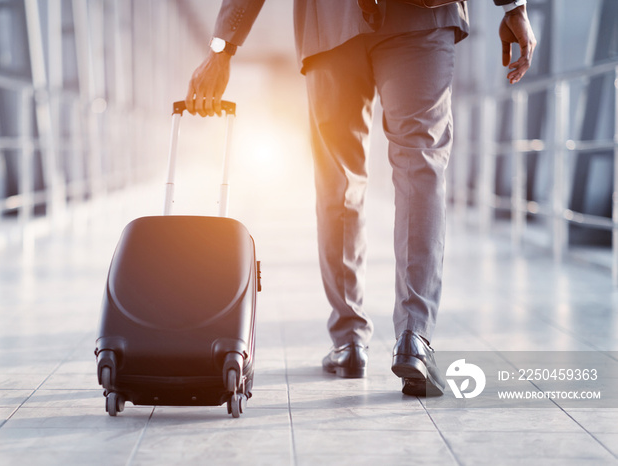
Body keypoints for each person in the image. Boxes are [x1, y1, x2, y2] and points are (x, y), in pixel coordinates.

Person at [185, 0, 536, 396]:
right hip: (420, 18)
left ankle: (349, 339)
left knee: (340, 180)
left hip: (330, 25)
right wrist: (514, 7)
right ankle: (414, 337)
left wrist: (223, 47)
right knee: (420, 168)